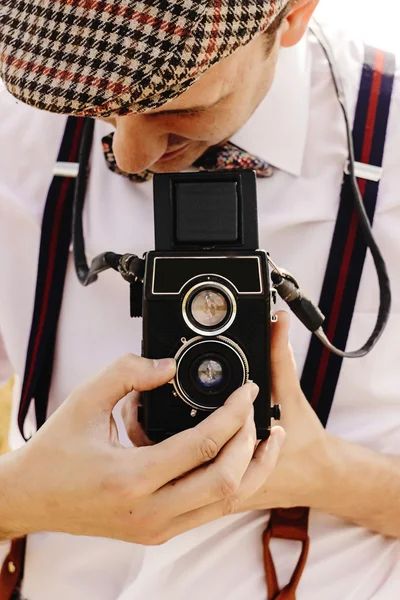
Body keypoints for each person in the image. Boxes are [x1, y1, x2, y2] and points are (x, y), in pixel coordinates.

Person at [0, 0, 399, 598]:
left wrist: (330, 475)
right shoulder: (15, 132)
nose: (130, 158)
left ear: (291, 16)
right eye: (101, 109)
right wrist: (21, 498)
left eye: (182, 106)